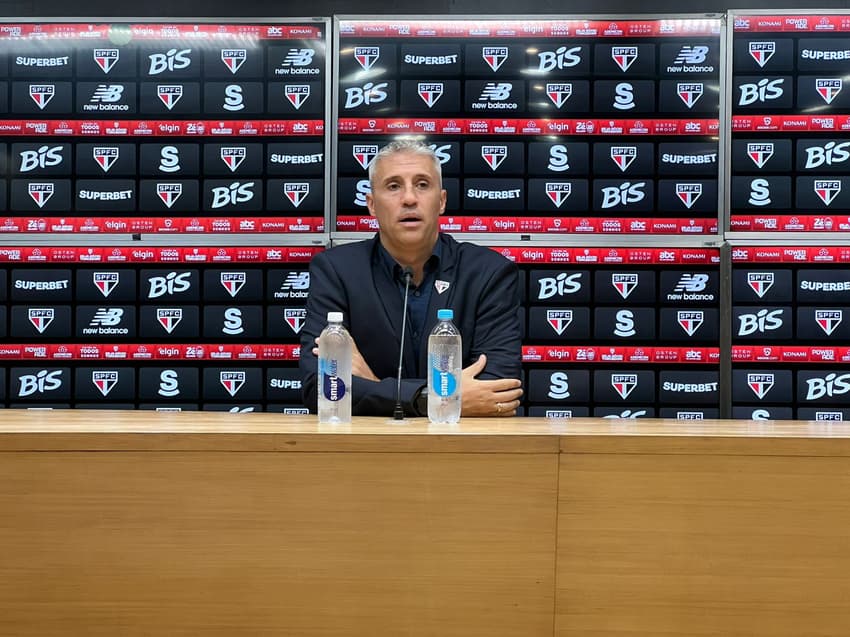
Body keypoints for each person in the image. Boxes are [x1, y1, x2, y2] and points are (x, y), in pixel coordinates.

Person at [300, 139, 523, 417]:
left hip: (464, 451)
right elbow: (320, 387)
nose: (409, 198)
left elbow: (499, 388)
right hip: (364, 450)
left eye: (422, 184)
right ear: (371, 205)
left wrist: (373, 385)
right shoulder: (336, 271)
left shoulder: (489, 272)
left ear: (441, 201)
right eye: (393, 186)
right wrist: (430, 398)